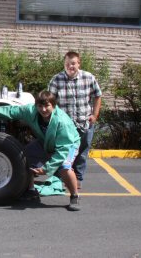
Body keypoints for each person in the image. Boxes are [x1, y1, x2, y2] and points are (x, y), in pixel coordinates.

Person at [0, 90, 81, 211]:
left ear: (53, 105)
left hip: (68, 145)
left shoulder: (62, 122)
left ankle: (74, 196)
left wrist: (47, 169)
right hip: (45, 142)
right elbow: (11, 111)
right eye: (40, 106)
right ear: (36, 105)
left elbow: (63, 150)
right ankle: (31, 191)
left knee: (65, 167)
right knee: (23, 158)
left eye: (47, 106)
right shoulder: (30, 111)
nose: (43, 110)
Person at [48, 51, 102, 189]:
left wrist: (94, 115)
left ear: (78, 63)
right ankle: (60, 180)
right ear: (64, 64)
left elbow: (98, 95)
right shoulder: (56, 80)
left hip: (85, 123)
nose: (70, 66)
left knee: (82, 153)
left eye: (73, 63)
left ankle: (77, 178)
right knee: (63, 152)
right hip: (65, 127)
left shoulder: (88, 77)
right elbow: (50, 102)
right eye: (67, 63)